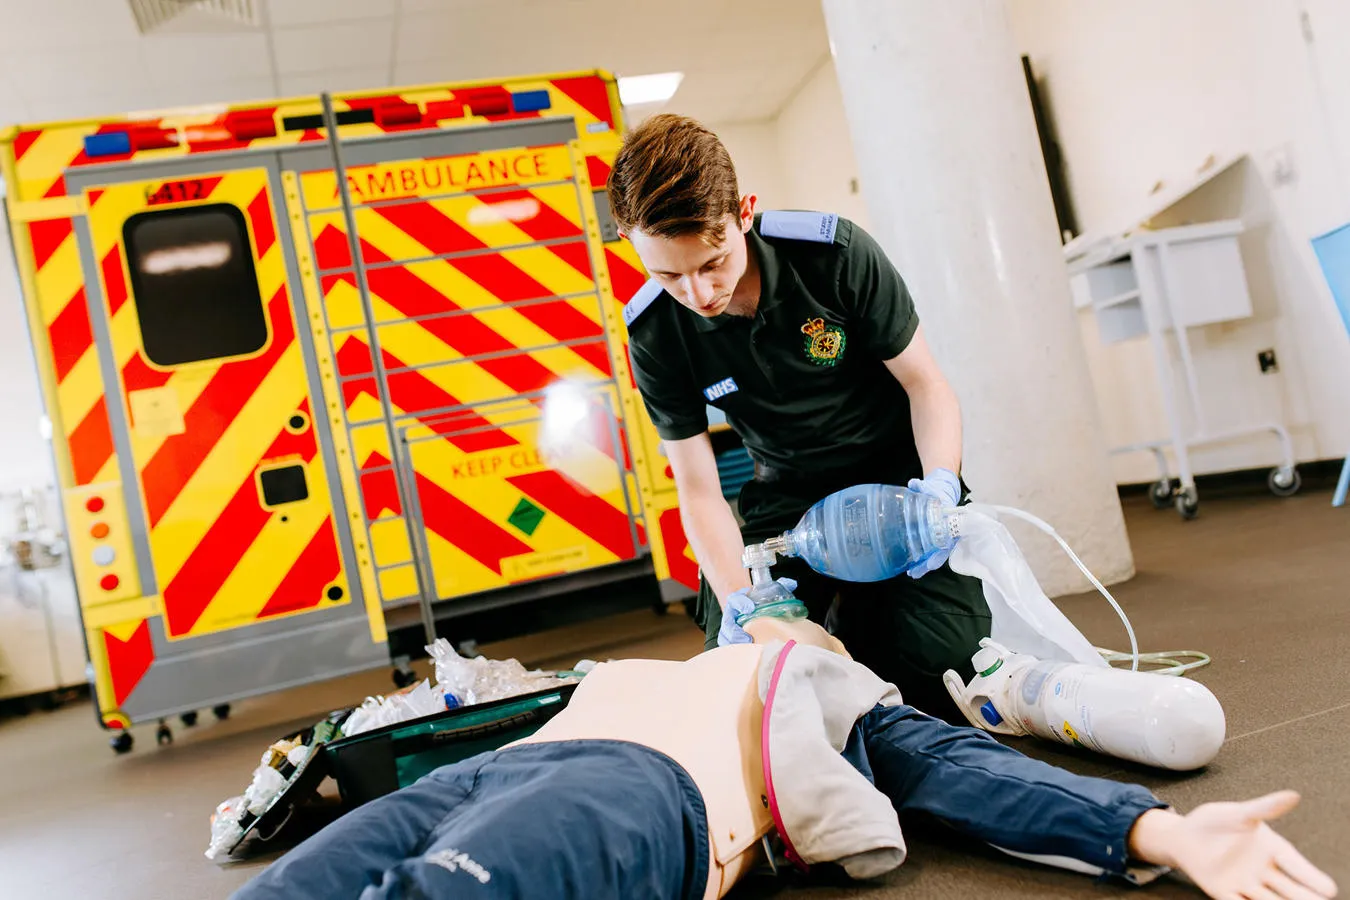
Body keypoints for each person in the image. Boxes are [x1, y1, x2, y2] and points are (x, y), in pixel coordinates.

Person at [230, 616, 1337, 900]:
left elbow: (971, 776)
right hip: (490, 776)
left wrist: (1156, 829)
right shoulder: (663, 665)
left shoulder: (842, 697)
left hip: (644, 798)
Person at [608, 113, 989, 720]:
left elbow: (927, 385)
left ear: (744, 213)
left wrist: (940, 489)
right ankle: (831, 616)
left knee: (940, 676)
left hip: (898, 483)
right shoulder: (655, 330)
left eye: (712, 264)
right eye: (668, 274)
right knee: (747, 685)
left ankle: (868, 616)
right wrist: (741, 600)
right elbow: (699, 487)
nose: (698, 295)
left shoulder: (834, 257)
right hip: (785, 497)